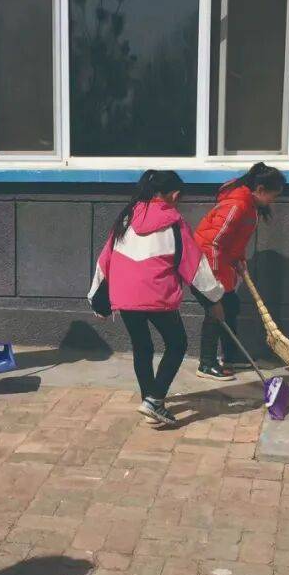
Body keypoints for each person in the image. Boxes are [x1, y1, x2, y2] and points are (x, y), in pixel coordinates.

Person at [88, 170, 225, 427]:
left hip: (125, 296)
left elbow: (105, 260)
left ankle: (150, 401)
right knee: (177, 344)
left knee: (142, 347)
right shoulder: (174, 222)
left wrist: (98, 300)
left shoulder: (127, 217)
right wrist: (214, 299)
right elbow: (194, 266)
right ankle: (154, 400)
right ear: (174, 195)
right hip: (157, 295)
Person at [193, 163, 285, 380]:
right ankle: (206, 364)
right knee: (216, 312)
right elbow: (213, 243)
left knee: (231, 307)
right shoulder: (236, 206)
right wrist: (215, 279)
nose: (273, 201)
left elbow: (234, 240)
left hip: (222, 264)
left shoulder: (250, 206)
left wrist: (239, 259)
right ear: (260, 189)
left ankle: (230, 357)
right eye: (273, 195)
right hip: (206, 266)